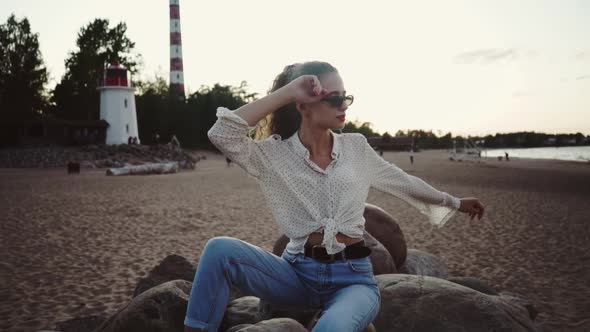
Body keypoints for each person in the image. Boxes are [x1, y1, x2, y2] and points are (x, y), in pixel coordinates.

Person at [184, 61, 486, 332]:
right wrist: (288, 91)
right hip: (296, 274)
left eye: (346, 96)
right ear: (303, 105)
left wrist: (454, 202)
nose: (344, 104)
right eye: (334, 98)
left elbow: (403, 182)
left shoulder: (355, 148)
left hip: (353, 280)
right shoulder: (274, 155)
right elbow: (222, 133)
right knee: (219, 250)